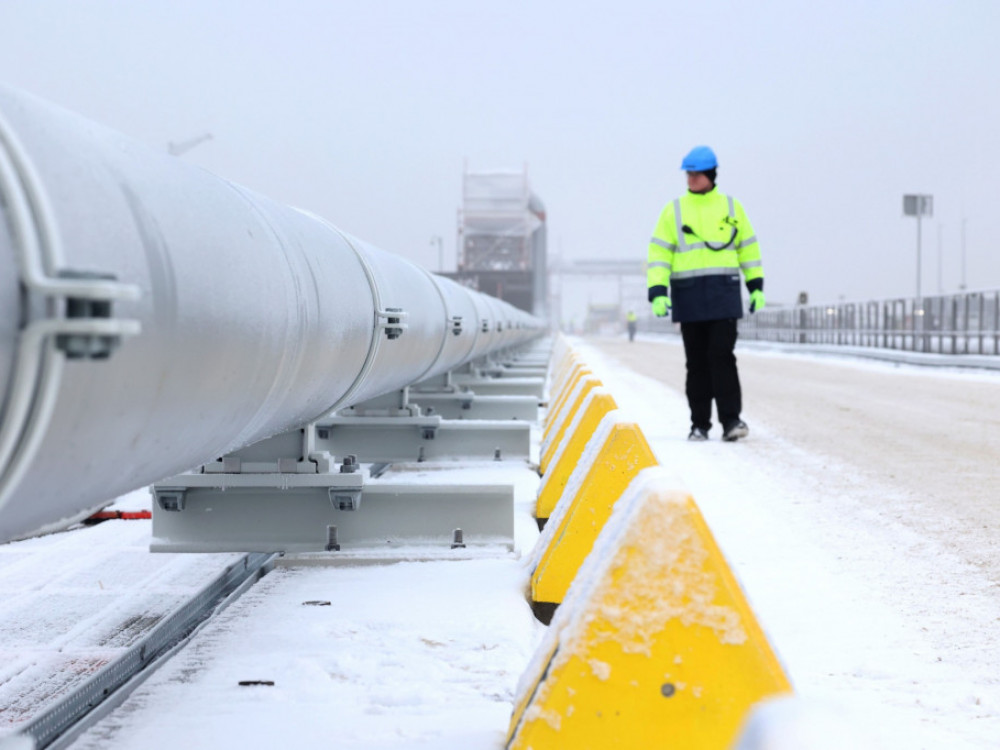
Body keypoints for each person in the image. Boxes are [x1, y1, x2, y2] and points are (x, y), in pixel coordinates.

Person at [646, 145, 764, 442]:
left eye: (696, 174)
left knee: (722, 357)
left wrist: (756, 285)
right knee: (696, 363)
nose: (691, 179)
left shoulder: (732, 208)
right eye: (689, 174)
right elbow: (659, 254)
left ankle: (731, 421)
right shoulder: (673, 211)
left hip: (723, 295)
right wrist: (658, 291)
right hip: (689, 297)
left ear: (711, 175)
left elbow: (748, 248)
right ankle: (699, 425)